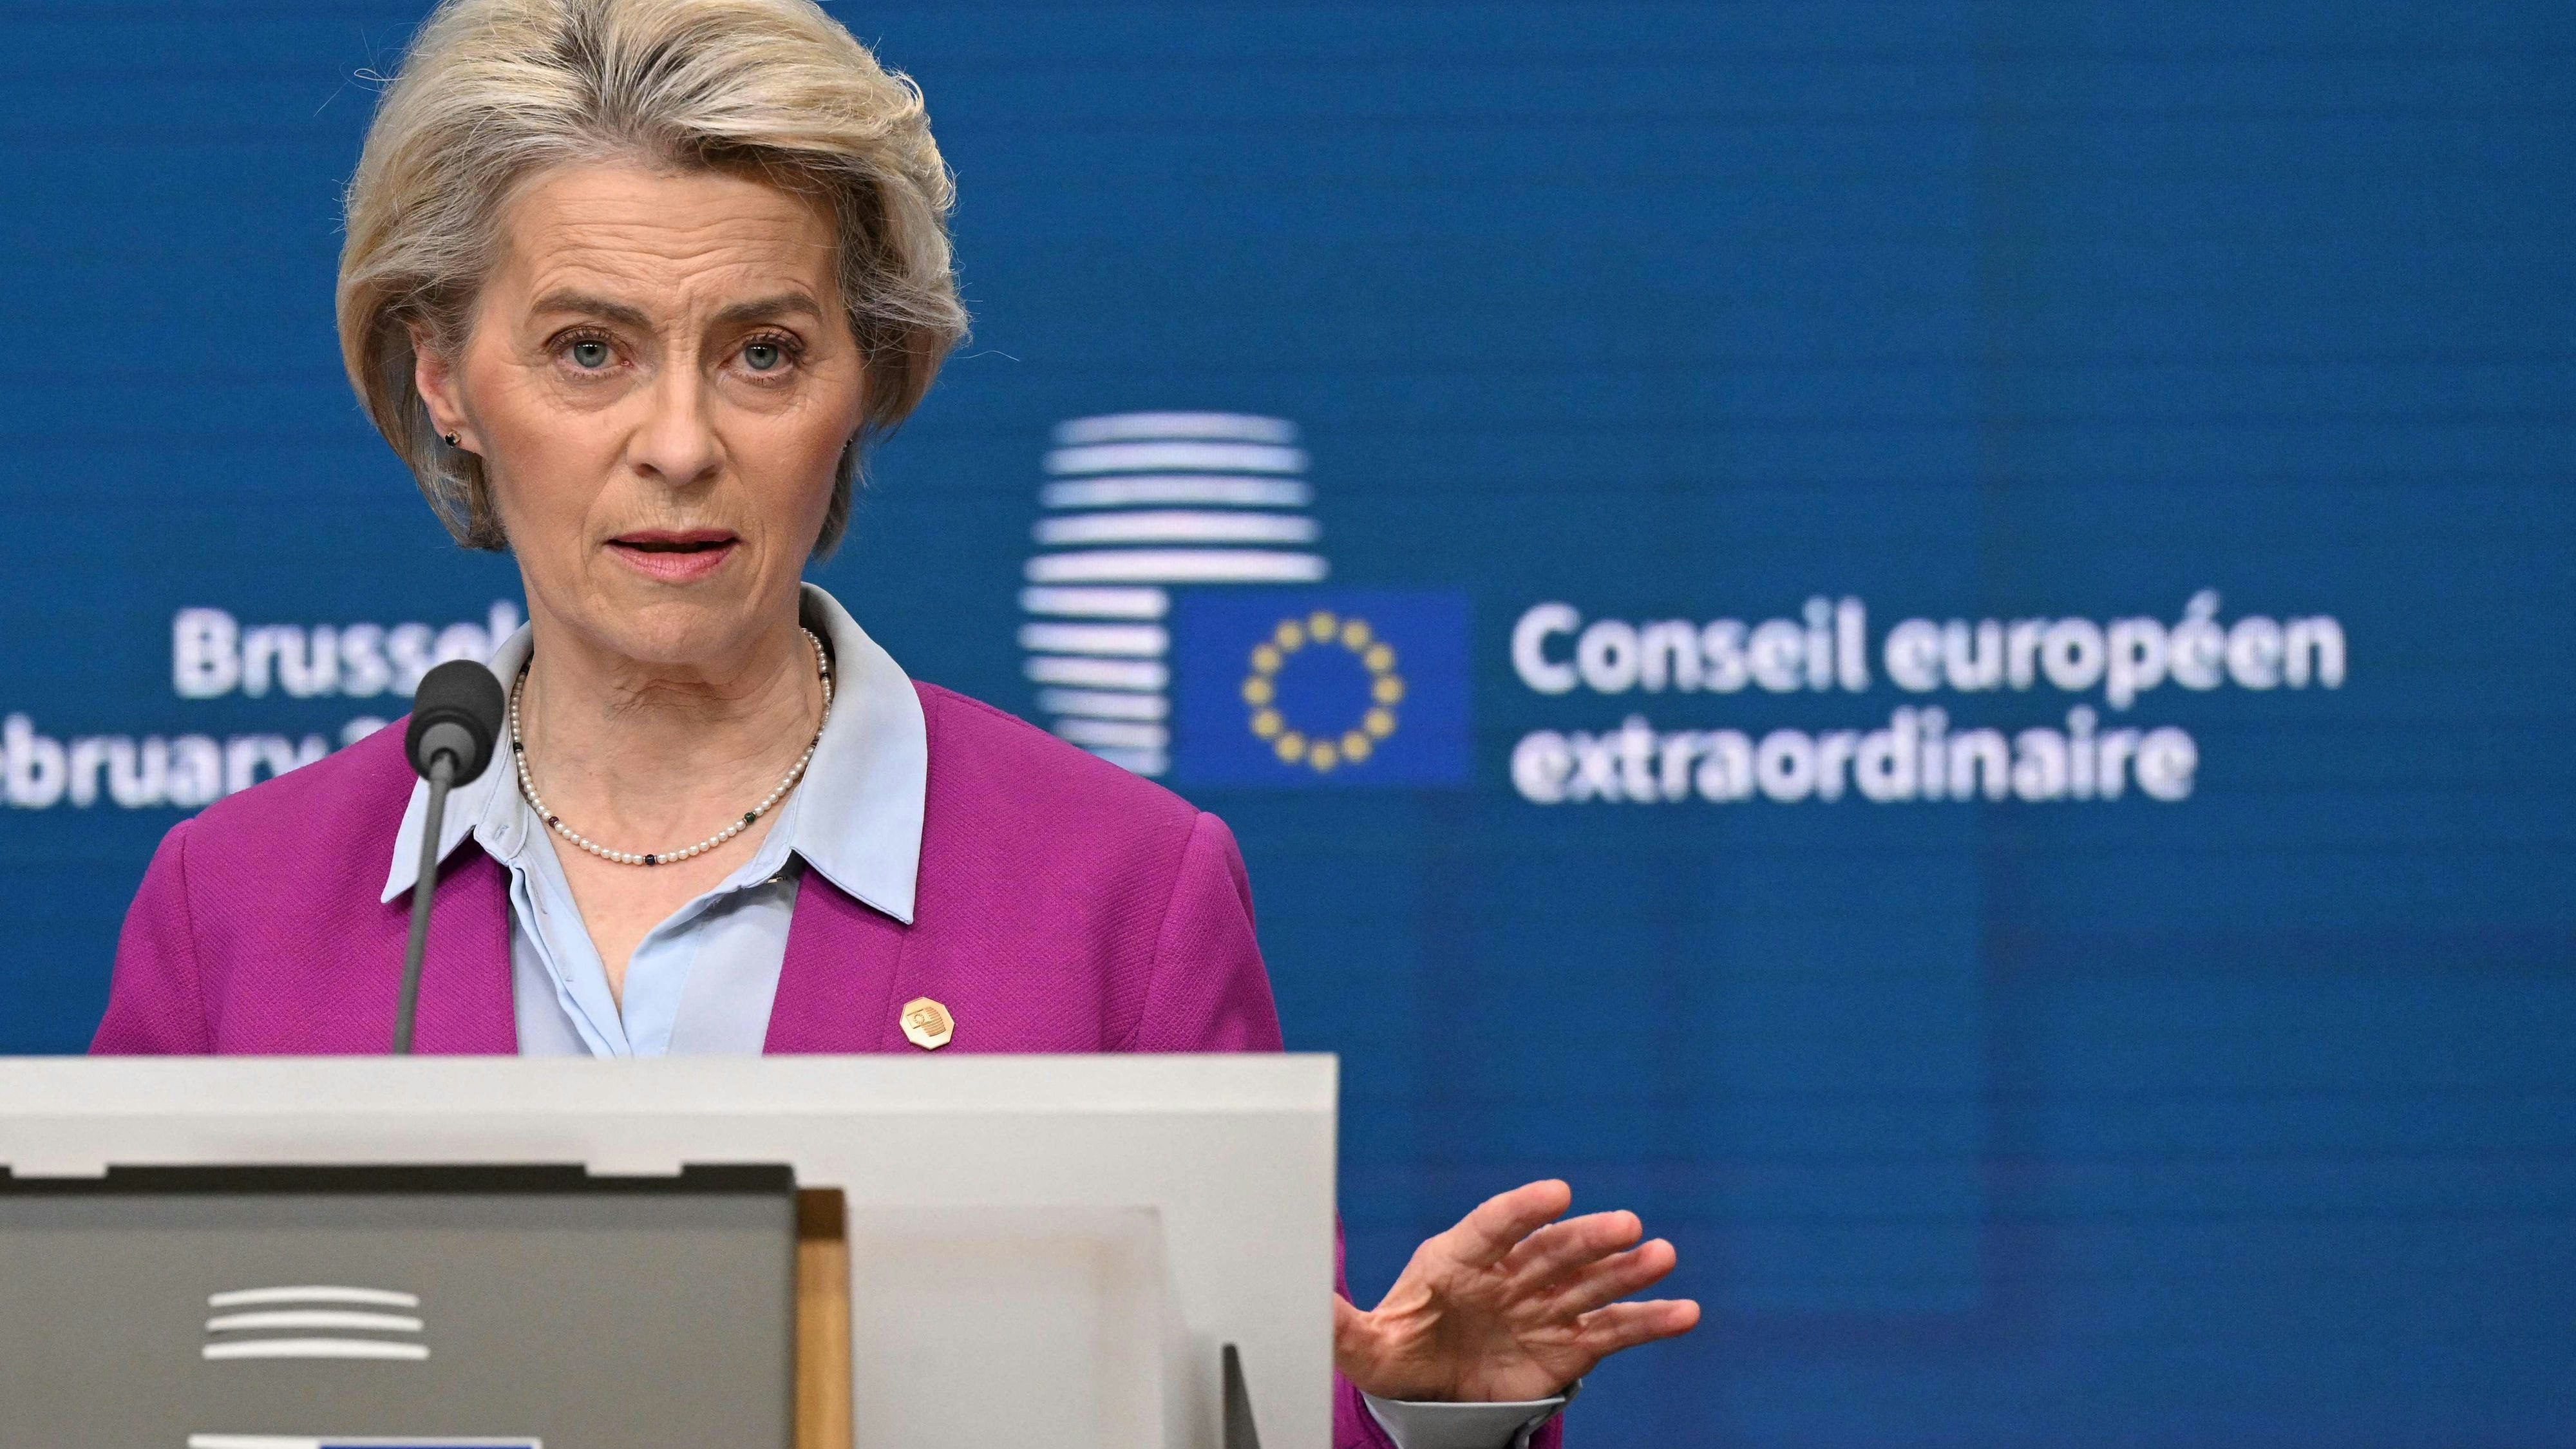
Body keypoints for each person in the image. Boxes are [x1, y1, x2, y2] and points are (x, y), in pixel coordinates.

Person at [91, 1, 1700, 1443]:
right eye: (588, 350)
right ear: (444, 374)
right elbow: (110, 1397)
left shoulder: (1120, 889)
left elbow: (1247, 1415)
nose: (678, 442)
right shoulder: (236, 900)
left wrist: (1418, 1423)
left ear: (870, 375)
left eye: (764, 353)